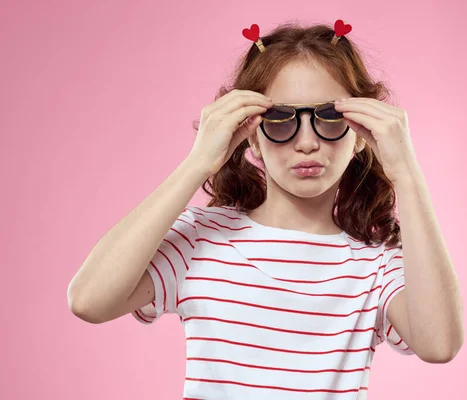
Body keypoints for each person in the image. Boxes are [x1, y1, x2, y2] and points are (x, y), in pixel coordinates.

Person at [68, 20, 422, 399]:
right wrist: (198, 163)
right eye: (280, 120)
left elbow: (440, 345)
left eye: (330, 118)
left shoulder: (378, 265)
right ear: (250, 132)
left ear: (360, 134)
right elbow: (89, 300)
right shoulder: (200, 239)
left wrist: (407, 173)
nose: (306, 142)